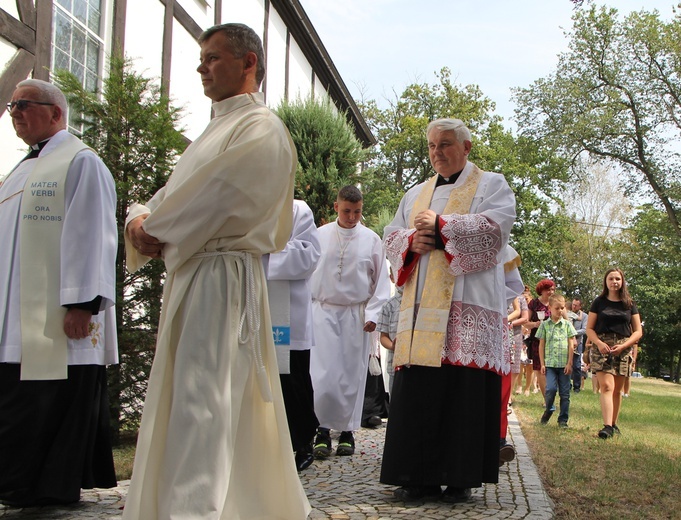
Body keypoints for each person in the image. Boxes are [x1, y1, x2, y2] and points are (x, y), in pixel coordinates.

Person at [122, 23, 310, 519]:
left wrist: (150, 224)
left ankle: (195, 510)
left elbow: (210, 198)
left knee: (203, 405)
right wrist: (139, 218)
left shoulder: (260, 128)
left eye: (212, 57)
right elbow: (175, 194)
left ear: (249, 62)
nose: (200, 66)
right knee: (189, 400)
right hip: (196, 277)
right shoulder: (215, 129)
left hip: (221, 283)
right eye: (201, 58)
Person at [380, 118, 516, 502]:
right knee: (420, 392)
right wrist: (412, 240)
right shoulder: (414, 194)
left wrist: (440, 228)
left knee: (463, 391)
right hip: (420, 310)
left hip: (465, 305)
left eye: (445, 144)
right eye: (431, 146)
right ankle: (415, 475)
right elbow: (391, 237)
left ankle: (459, 477)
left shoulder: (492, 185)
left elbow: (495, 231)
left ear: (467, 147)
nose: (436, 152)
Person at [0, 79, 118, 507]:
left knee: (47, 405)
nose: (14, 112)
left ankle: (45, 486)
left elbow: (93, 234)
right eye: (12, 105)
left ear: (55, 113)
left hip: (59, 316)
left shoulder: (81, 162)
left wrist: (83, 304)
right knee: (22, 402)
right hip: (16, 314)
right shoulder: (22, 168)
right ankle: (21, 484)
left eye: (24, 104)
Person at [309, 185, 390, 458]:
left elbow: (380, 283)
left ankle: (347, 432)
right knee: (322, 375)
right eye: (347, 211)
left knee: (350, 376)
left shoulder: (371, 239)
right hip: (323, 312)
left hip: (356, 315)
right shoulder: (318, 236)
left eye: (357, 212)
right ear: (336, 207)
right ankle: (321, 430)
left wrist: (373, 315)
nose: (352, 217)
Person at [262, 199, 321, 472]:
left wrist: (261, 252)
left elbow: (308, 256)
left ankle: (302, 441)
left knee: (293, 382)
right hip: (256, 305)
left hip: (289, 313)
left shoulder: (297, 209)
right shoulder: (248, 204)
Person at [586, 268, 642, 440]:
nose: (614, 281)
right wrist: (599, 343)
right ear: (606, 281)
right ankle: (607, 426)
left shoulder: (629, 304)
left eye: (617, 278)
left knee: (617, 390)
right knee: (607, 387)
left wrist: (624, 345)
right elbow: (589, 329)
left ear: (622, 281)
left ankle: (614, 424)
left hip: (623, 348)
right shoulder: (599, 302)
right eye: (611, 278)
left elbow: (638, 331)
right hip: (602, 347)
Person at [537, 294, 576, 428]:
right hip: (550, 365)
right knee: (551, 389)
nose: (560, 311)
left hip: (564, 365)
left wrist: (569, 363)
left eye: (562, 308)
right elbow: (541, 345)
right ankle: (549, 408)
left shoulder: (567, 325)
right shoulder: (545, 325)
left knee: (565, 394)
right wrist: (542, 363)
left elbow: (571, 345)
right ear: (550, 308)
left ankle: (563, 420)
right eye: (557, 308)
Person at [527, 279, 556, 398]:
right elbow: (526, 322)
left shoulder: (556, 303)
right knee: (539, 369)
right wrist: (535, 324)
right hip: (537, 341)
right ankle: (547, 399)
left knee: (552, 369)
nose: (551, 292)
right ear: (541, 291)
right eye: (548, 290)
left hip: (554, 341)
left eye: (553, 289)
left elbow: (566, 320)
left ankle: (553, 394)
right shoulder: (533, 304)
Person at [376, 270, 402, 396]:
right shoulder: (389, 306)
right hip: (394, 366)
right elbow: (383, 336)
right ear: (392, 278)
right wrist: (392, 346)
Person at [567, 298, 587, 392]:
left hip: (577, 343)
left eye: (576, 305)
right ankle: (567, 384)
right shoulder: (567, 313)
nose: (573, 306)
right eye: (573, 304)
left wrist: (572, 332)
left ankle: (577, 387)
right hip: (566, 342)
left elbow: (584, 330)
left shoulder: (584, 317)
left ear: (580, 306)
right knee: (566, 364)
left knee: (576, 365)